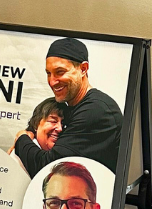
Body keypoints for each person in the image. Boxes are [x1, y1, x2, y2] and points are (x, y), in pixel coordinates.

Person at [12, 38, 123, 176]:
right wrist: (30, 133)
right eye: (48, 73)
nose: (52, 82)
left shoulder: (97, 110)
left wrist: (22, 138)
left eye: (60, 72)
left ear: (83, 69)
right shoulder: (73, 107)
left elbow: (49, 169)